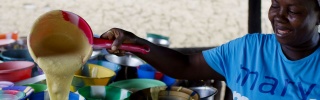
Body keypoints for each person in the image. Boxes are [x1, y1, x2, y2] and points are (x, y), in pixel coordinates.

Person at [100, 0, 320, 99]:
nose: (278, 17)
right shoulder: (248, 49)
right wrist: (134, 43)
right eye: (274, 5)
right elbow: (186, 66)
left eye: (292, 10)